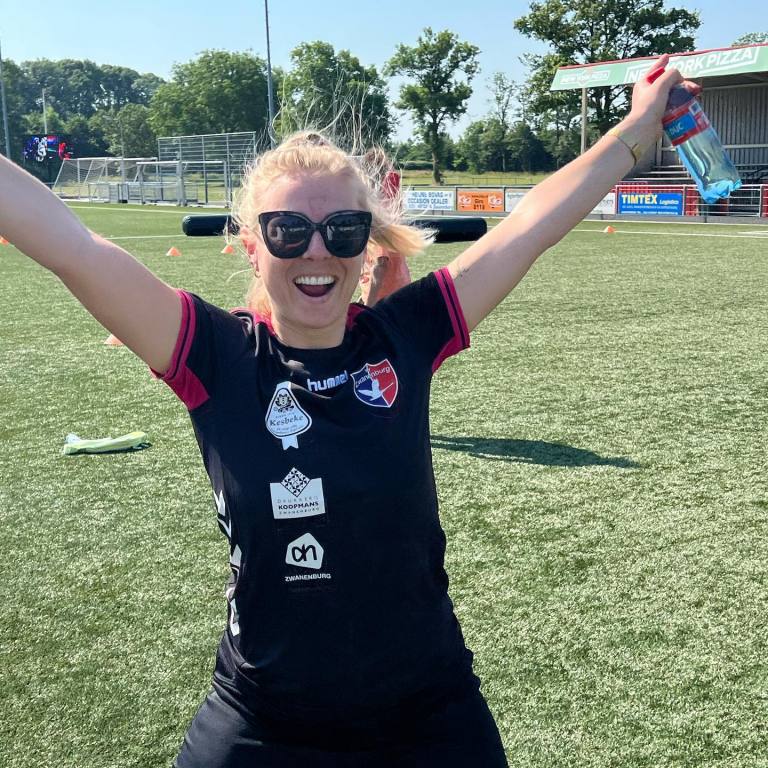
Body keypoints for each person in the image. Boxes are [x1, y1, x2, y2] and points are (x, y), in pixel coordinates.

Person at [0, 56, 684, 767]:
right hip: (263, 721)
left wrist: (637, 131)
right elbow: (73, 246)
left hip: (428, 712)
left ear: (365, 245)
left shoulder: (405, 336)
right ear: (251, 245)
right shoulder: (215, 354)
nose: (317, 251)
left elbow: (530, 227)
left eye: (344, 230)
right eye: (288, 230)